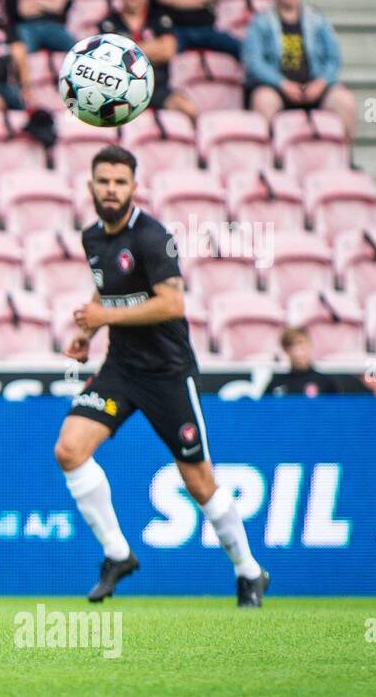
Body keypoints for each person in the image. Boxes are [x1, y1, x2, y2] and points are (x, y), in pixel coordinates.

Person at [57, 145, 270, 608]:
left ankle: (249, 571)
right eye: (104, 181)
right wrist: (87, 333)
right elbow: (106, 289)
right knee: (69, 450)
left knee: (197, 482)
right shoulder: (93, 237)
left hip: (167, 374)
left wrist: (102, 313)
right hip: (120, 368)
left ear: (134, 188)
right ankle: (118, 554)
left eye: (120, 182)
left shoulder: (153, 237)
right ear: (91, 186)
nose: (111, 190)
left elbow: (170, 304)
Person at [243, 0, 357, 139]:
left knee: (345, 100)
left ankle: (344, 156)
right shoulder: (261, 22)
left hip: (313, 85)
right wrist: (282, 83)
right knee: (263, 100)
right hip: (277, 88)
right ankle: (270, 160)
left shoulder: (317, 20)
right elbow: (253, 62)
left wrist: (321, 82)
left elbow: (334, 58)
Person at [98, 0, 197, 119]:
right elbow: (112, 61)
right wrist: (153, 47)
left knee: (188, 108)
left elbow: (168, 51)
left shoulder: (158, 19)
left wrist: (128, 50)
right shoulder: (108, 23)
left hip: (156, 88)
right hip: (121, 90)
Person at [264, 327, 356, 397]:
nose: (297, 353)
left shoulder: (325, 382)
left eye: (301, 346)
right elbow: (264, 414)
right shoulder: (276, 383)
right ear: (286, 351)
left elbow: (335, 415)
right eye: (292, 348)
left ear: (309, 346)